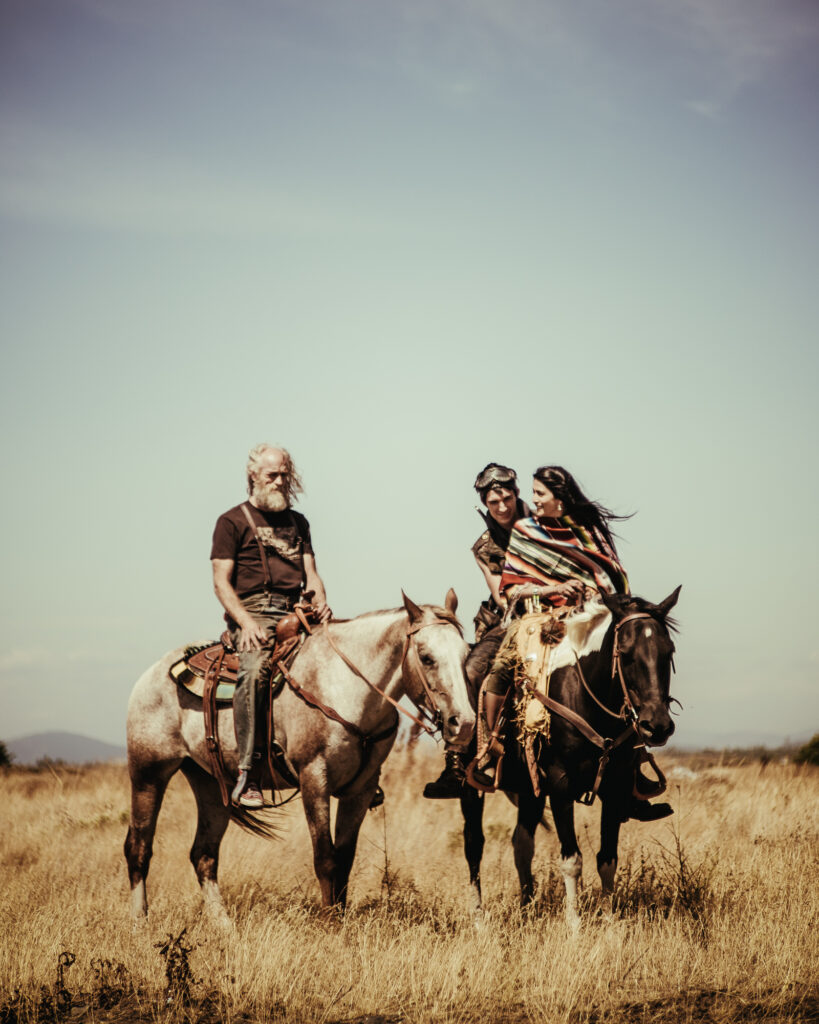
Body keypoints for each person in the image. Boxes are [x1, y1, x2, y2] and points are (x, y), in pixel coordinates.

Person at [472, 465, 672, 821]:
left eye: (516, 495)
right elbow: (510, 589)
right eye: (494, 500)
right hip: (534, 617)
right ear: (486, 503)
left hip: (588, 615)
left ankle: (636, 763)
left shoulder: (585, 530)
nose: (508, 503)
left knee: (625, 670)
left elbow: (610, 576)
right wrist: (554, 589)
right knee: (497, 668)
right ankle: (490, 748)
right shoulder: (521, 532)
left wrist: (593, 595)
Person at [211, 444, 331, 808]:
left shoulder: (299, 523)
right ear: (253, 476)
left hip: (296, 610)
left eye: (284, 475)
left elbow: (311, 574)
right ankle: (248, 773)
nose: (279, 482)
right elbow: (220, 582)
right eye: (272, 475)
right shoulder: (231, 522)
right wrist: (245, 623)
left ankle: (351, 766)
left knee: (338, 658)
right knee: (255, 668)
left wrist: (321, 602)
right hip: (252, 611)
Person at [422, 463, 529, 800]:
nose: (501, 506)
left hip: (561, 609)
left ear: (516, 494)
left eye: (506, 497)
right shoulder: (483, 547)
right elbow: (501, 593)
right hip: (506, 618)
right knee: (468, 671)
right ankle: (456, 760)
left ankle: (629, 762)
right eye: (493, 500)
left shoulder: (544, 525)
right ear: (485, 502)